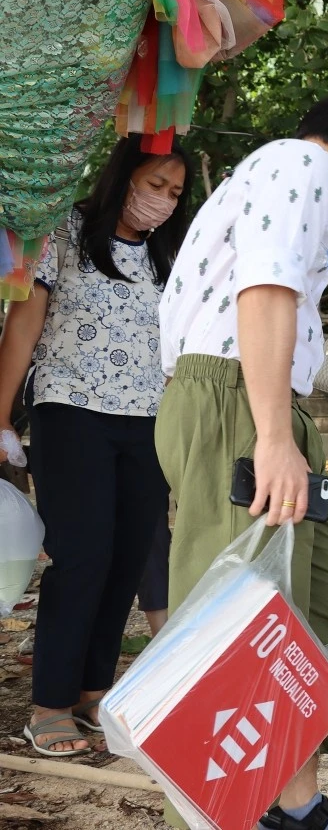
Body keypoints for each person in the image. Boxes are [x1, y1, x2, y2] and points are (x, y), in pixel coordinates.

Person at [157, 94, 328, 830]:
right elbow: (263, 293)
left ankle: (296, 805)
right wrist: (269, 436)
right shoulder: (301, 166)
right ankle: (211, 814)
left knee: (317, 612)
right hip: (238, 403)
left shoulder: (285, 179)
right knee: (236, 619)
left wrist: (280, 426)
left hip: (261, 404)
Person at [0, 135, 190, 756]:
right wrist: (0, 416)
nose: (162, 201)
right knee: (81, 556)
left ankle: (91, 691)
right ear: (125, 174)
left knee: (127, 557)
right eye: (155, 185)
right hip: (71, 412)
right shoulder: (67, 230)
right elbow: (24, 322)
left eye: (175, 192)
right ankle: (49, 704)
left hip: (149, 422)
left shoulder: (170, 253)